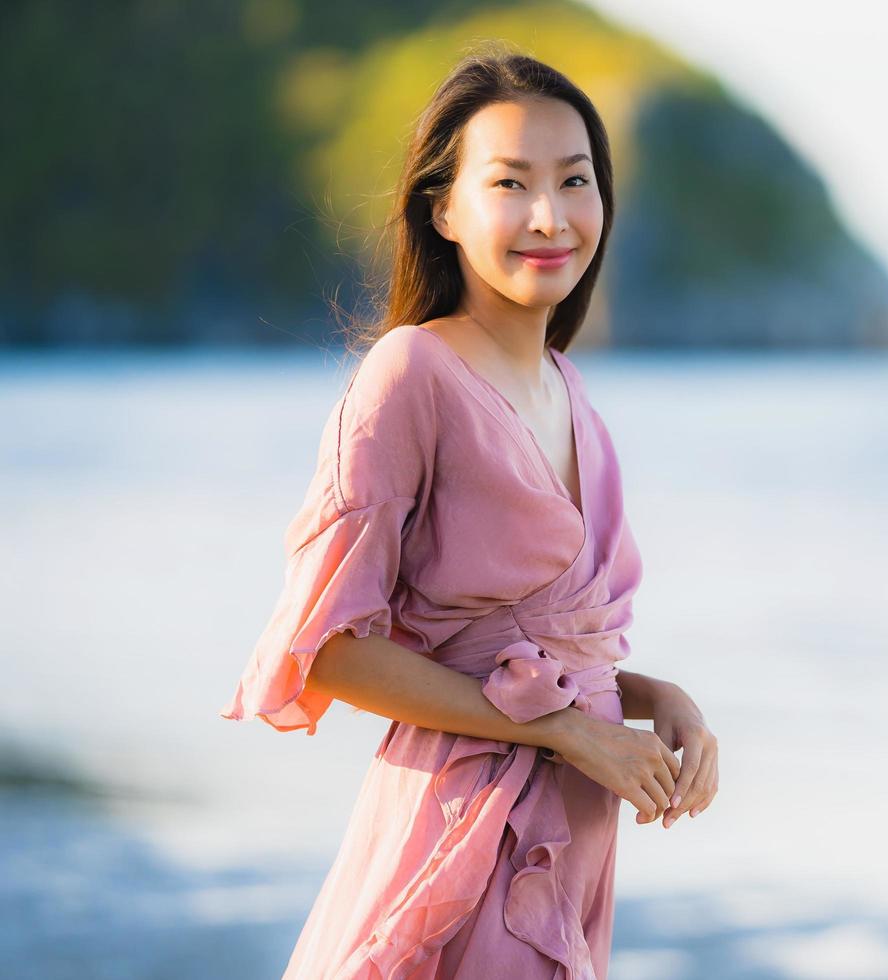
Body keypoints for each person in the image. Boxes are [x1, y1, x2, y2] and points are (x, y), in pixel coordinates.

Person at [217, 47, 719, 979]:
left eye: (575, 180)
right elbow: (325, 650)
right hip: (461, 839)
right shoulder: (410, 374)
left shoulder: (572, 392)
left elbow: (535, 644)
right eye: (509, 183)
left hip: (572, 856)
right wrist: (564, 730)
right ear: (444, 209)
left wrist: (659, 701)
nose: (549, 215)